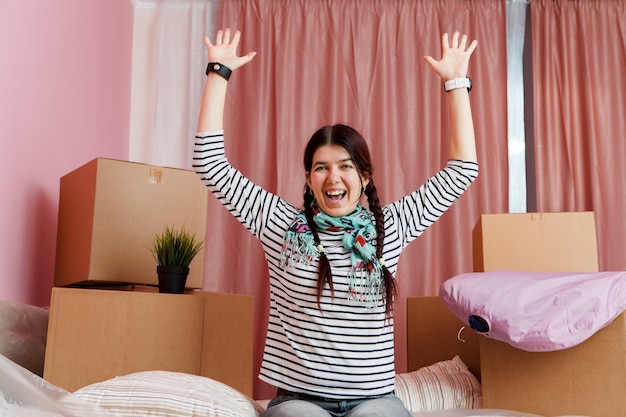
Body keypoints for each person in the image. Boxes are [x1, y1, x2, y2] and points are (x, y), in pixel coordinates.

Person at [193, 28, 478, 417]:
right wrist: (218, 72)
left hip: (375, 400)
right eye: (321, 168)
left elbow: (462, 171)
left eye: (345, 167)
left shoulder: (388, 227)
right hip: (299, 401)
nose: (333, 178)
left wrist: (456, 83)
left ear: (364, 177)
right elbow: (210, 165)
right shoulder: (279, 224)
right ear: (309, 179)